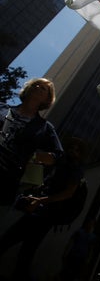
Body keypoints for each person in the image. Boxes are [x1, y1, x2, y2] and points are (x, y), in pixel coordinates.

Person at [0, 136, 86, 281]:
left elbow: (68, 193)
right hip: (41, 212)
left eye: (77, 149)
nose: (73, 150)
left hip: (45, 215)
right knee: (25, 251)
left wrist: (41, 200)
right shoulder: (63, 160)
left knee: (12, 242)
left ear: (81, 154)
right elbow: (45, 159)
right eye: (71, 147)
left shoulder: (76, 169)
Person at [1, 78, 63, 207]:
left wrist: (34, 156)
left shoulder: (44, 127)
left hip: (6, 181)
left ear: (47, 99)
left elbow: (58, 156)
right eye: (35, 84)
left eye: (43, 88)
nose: (38, 87)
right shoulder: (2, 108)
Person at [58, 217, 97, 281]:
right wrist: (65, 253)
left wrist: (88, 260)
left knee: (73, 275)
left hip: (81, 259)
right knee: (65, 273)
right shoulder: (79, 232)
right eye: (89, 223)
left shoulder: (92, 237)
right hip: (73, 255)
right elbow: (71, 243)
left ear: (93, 225)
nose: (89, 225)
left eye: (91, 224)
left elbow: (91, 249)